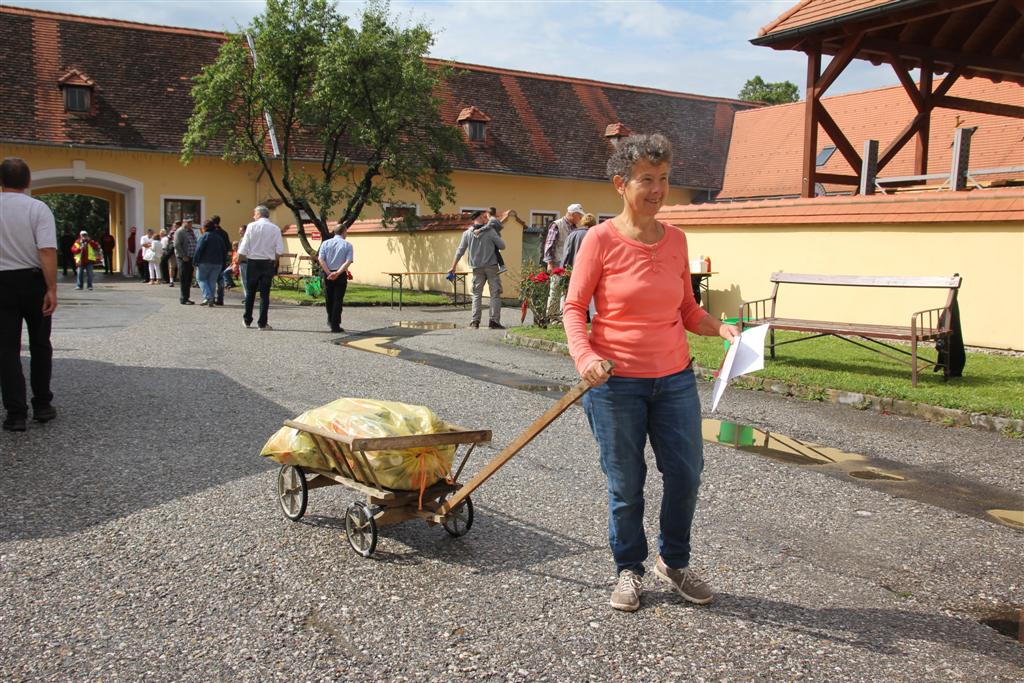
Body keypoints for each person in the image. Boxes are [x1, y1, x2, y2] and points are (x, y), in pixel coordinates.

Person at [563, 134, 739, 613]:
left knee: (686, 474)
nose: (658, 189)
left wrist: (719, 327)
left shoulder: (677, 239)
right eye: (647, 180)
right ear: (622, 184)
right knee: (626, 481)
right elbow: (574, 308)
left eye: (664, 179)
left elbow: (686, 308)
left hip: (675, 379)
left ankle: (674, 562)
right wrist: (585, 358)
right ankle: (629, 568)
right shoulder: (598, 240)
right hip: (614, 383)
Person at [0, 157, 58, 432]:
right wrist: (51, 288)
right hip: (32, 280)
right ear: (28, 181)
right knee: (40, 343)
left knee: (6, 350)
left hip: (2, 281)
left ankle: (15, 413)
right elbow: (46, 250)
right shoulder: (38, 208)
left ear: (1, 181)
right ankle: (42, 404)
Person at [447, 210, 505, 329]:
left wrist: (453, 267)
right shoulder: (490, 231)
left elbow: (460, 251)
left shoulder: (467, 233)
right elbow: (502, 246)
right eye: (484, 217)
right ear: (479, 217)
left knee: (476, 294)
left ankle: (475, 321)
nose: (486, 219)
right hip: (491, 267)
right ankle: (494, 321)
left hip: (476, 268)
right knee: (495, 293)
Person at [237, 205, 284, 330]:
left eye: (254, 214)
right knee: (264, 294)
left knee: (250, 292)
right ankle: (262, 323)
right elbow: (279, 249)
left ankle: (247, 320)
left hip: (253, 262)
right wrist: (274, 261)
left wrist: (238, 259)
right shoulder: (275, 228)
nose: (253, 216)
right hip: (267, 262)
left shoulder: (251, 226)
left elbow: (244, 246)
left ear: (259, 214)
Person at [543, 203, 584, 317]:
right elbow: (549, 245)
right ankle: (551, 316)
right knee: (555, 289)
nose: (580, 218)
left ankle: (562, 315)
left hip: (568, 263)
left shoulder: (575, 228)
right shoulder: (557, 225)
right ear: (572, 214)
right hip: (557, 261)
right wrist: (549, 263)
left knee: (565, 291)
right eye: (579, 216)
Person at [317, 225, 354, 333]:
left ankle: (330, 319)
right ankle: (335, 324)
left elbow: (321, 259)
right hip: (340, 274)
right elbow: (348, 261)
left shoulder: (325, 243)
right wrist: (337, 273)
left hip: (328, 273)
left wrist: (328, 272)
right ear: (344, 232)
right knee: (338, 299)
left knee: (329, 298)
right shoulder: (348, 245)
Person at [193, 219, 228, 306]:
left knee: (201, 279)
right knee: (212, 281)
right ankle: (210, 298)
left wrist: (195, 261)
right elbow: (224, 251)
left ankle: (208, 297)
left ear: (205, 228)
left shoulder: (205, 236)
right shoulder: (219, 238)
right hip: (218, 263)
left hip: (205, 261)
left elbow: (199, 249)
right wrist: (224, 263)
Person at [173, 217, 197, 305]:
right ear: (184, 222)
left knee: (189, 278)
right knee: (184, 278)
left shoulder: (191, 232)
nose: (190, 224)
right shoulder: (180, 231)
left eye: (191, 222)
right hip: (183, 258)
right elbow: (177, 245)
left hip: (191, 258)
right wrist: (183, 255)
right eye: (189, 222)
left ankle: (187, 297)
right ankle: (183, 298)